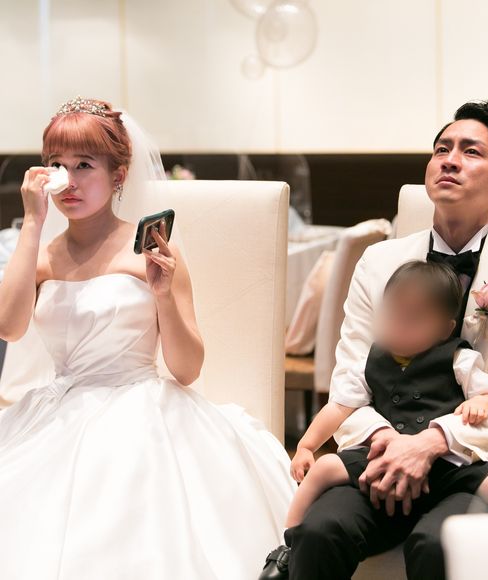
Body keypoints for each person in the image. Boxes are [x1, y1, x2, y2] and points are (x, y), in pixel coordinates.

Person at [0, 97, 295, 580]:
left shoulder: (152, 251)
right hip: (57, 408)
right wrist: (32, 223)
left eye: (84, 165)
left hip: (138, 408)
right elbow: (9, 327)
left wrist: (162, 295)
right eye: (57, 164)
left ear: (119, 175)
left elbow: (187, 369)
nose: (67, 180)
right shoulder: (43, 254)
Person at [280, 101, 488, 580]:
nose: (450, 160)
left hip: (476, 468)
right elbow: (350, 383)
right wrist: (389, 444)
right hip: (377, 461)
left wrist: (436, 441)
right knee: (318, 532)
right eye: (442, 149)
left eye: (471, 151)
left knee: (440, 545)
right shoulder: (378, 263)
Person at [259, 260, 488, 578]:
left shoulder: (459, 359)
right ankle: (289, 543)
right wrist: (306, 445)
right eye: (392, 316)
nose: (400, 327)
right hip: (380, 459)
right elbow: (339, 407)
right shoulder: (370, 361)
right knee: (326, 468)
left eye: (413, 320)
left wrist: (479, 404)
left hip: (444, 466)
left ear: (444, 329)